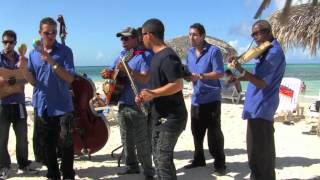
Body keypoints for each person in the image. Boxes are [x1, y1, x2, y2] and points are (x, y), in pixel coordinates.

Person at [20, 17, 76, 179]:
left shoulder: (65, 51)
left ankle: (68, 174)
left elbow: (70, 78)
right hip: (43, 104)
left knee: (66, 142)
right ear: (40, 33)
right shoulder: (33, 54)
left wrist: (51, 61)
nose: (51, 35)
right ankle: (53, 174)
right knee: (47, 144)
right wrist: (23, 69)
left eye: (54, 32)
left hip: (63, 105)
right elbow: (33, 82)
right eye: (47, 32)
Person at [232, 20, 286, 180]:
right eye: (253, 34)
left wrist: (242, 71)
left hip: (262, 107)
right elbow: (257, 77)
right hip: (256, 107)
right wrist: (238, 77)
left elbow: (262, 83)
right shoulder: (264, 51)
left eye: (259, 32)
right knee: (255, 152)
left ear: (269, 31)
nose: (255, 37)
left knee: (261, 154)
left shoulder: (273, 53)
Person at [136, 18, 188, 180]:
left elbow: (178, 84)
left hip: (172, 117)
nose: (141, 38)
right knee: (159, 159)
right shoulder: (156, 57)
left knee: (163, 159)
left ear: (149, 35)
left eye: (142, 35)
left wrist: (153, 94)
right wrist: (146, 96)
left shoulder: (167, 56)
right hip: (159, 116)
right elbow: (157, 86)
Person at [101, 27, 154, 180]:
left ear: (136, 38)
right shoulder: (121, 56)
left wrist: (128, 70)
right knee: (126, 139)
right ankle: (131, 167)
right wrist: (107, 73)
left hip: (139, 104)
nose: (123, 41)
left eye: (126, 38)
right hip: (122, 102)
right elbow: (112, 72)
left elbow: (145, 79)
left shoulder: (145, 55)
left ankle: (149, 172)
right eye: (121, 39)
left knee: (142, 141)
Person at [183, 23, 226, 175]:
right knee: (196, 132)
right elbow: (189, 73)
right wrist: (186, 76)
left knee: (214, 134)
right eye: (190, 34)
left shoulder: (214, 51)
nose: (191, 37)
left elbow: (220, 73)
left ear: (202, 36)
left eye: (194, 34)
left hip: (212, 99)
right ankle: (199, 159)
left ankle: (220, 163)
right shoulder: (189, 53)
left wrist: (201, 76)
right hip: (196, 99)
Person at [0, 30, 38, 179]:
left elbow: (27, 79)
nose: (7, 45)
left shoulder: (22, 59)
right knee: (2, 137)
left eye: (10, 42)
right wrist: (4, 81)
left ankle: (23, 164)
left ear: (16, 43)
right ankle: (4, 166)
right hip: (3, 103)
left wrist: (21, 73)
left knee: (22, 137)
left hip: (19, 103)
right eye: (4, 42)